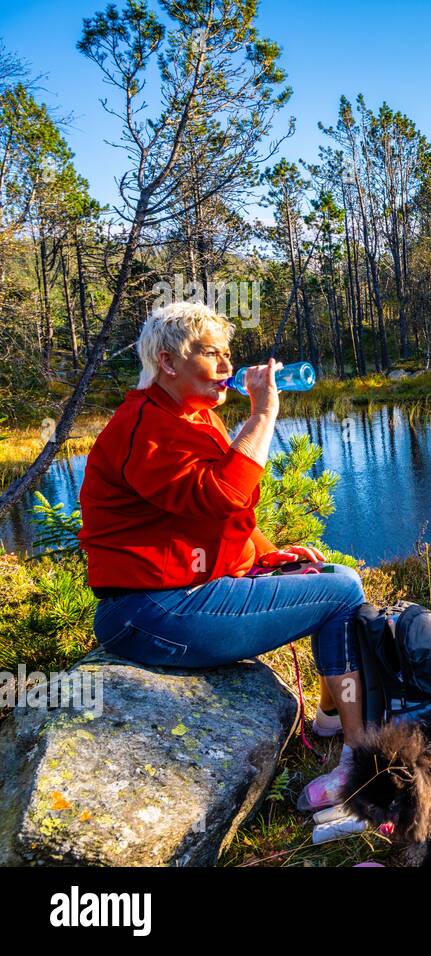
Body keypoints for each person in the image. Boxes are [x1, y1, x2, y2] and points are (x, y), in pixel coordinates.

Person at [78, 301, 364, 812]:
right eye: (213, 355)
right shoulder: (145, 428)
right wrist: (262, 414)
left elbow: (219, 518)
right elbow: (224, 496)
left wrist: (271, 555)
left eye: (230, 355)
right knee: (344, 592)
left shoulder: (191, 417)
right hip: (149, 612)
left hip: (172, 600)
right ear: (168, 362)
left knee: (331, 575)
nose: (229, 368)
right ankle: (358, 756)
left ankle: (328, 723)